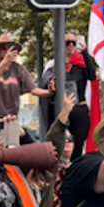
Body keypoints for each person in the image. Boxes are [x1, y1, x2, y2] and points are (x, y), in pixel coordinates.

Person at [40, 32, 96, 160]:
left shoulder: (82, 64)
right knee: (56, 143)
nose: (70, 45)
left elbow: (92, 75)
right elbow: (45, 84)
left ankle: (75, 170)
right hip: (59, 109)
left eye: (73, 43)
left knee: (77, 145)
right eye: (67, 43)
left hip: (78, 109)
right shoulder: (53, 66)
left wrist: (85, 52)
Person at [0, 34, 51, 128]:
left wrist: (48, 91)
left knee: (26, 139)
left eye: (10, 49)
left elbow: (33, 89)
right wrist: (5, 62)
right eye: (4, 49)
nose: (7, 52)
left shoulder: (18, 69)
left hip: (9, 119)